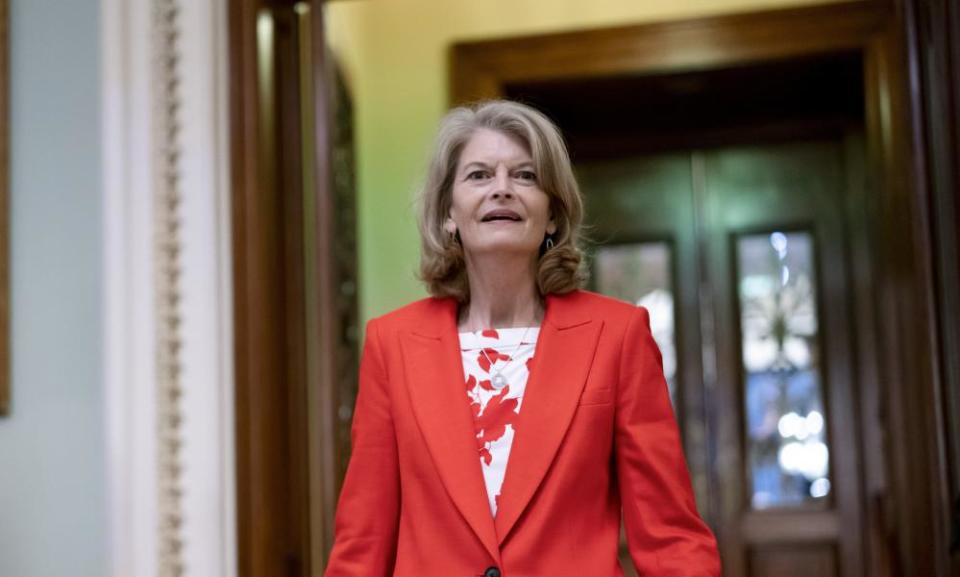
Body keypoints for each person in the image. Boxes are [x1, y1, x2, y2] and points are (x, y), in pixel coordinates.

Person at [324, 100, 721, 577]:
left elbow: (671, 538)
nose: (502, 190)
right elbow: (362, 544)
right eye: (478, 175)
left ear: (552, 214)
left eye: (525, 176)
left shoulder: (618, 336)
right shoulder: (392, 344)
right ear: (449, 212)